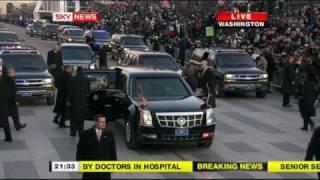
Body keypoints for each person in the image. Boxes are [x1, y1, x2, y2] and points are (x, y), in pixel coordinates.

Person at [76, 114, 117, 179]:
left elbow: (112, 150)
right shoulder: (85, 134)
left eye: (105, 122)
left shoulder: (109, 134)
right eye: (101, 122)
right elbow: (80, 151)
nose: (104, 124)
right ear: (95, 122)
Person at [67, 67, 90, 137]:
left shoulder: (72, 79)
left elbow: (70, 91)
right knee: (81, 118)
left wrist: (68, 100)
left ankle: (73, 132)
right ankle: (80, 132)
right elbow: (88, 90)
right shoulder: (87, 79)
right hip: (83, 101)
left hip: (74, 101)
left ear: (77, 71)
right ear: (82, 71)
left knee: (73, 118)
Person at [0, 59, 13, 142]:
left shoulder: (6, 73)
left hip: (3, 99)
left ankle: (8, 137)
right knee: (4, 120)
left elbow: (11, 86)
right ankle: (8, 137)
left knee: (4, 120)